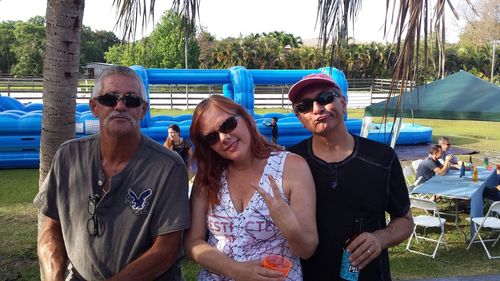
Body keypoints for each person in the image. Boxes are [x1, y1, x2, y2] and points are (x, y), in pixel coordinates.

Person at [34, 66, 191, 280]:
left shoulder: (168, 167)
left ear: (143, 110)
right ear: (94, 106)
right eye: (109, 98)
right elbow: (51, 227)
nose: (120, 106)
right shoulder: (67, 157)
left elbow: (166, 251)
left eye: (131, 99)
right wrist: (55, 275)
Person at [286, 73, 413, 281]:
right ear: (300, 118)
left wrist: (380, 238)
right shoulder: (290, 162)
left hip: (370, 275)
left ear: (343, 103)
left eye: (326, 98)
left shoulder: (381, 158)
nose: (317, 109)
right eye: (305, 106)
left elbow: (405, 220)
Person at [184, 95, 318, 281]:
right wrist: (235, 270)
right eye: (212, 137)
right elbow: (192, 242)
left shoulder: (291, 167)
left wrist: (290, 226)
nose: (224, 138)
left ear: (245, 118)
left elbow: (307, 249)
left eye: (228, 125)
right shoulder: (208, 175)